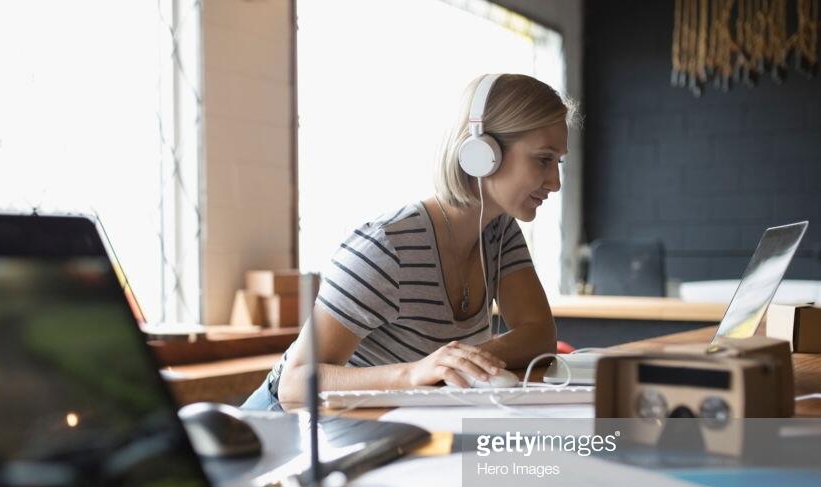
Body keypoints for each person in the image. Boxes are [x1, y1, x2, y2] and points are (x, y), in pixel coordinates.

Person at [242, 73, 575, 411]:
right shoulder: (387, 247)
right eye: (543, 159)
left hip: (373, 422)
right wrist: (416, 372)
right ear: (482, 152)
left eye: (558, 162)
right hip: (282, 423)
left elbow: (539, 334)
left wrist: (459, 362)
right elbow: (295, 383)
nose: (555, 182)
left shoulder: (499, 231)